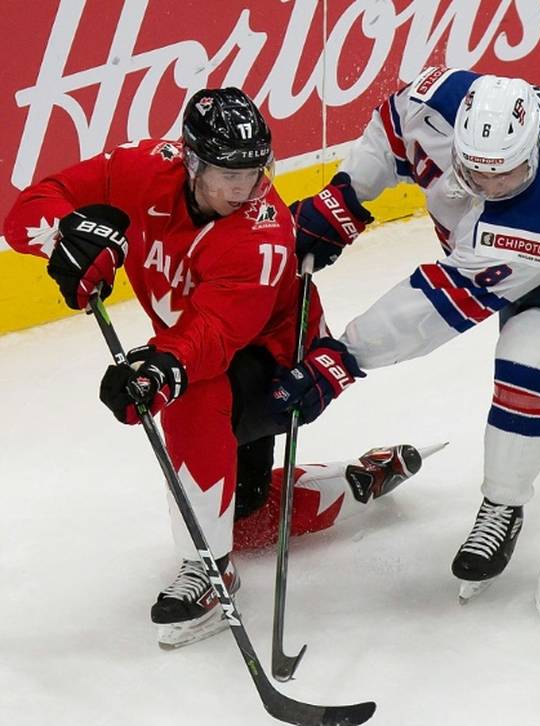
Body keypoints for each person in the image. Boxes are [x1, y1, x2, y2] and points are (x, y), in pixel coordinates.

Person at [2, 88, 436, 649]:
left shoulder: (261, 230)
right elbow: (32, 205)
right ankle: (356, 481)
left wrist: (160, 369)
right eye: (229, 174)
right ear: (192, 162)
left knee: (189, 393)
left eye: (256, 172)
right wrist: (69, 237)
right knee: (245, 518)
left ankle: (208, 574)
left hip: (279, 368)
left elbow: (215, 336)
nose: (244, 188)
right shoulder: (141, 169)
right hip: (204, 348)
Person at [275, 67, 540, 599]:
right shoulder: (445, 100)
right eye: (475, 172)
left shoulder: (529, 224)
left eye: (504, 178)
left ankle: (504, 503)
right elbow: (395, 125)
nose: (487, 186)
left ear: (531, 155)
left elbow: (434, 305)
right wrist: (347, 196)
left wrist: (343, 358)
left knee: (532, 350)